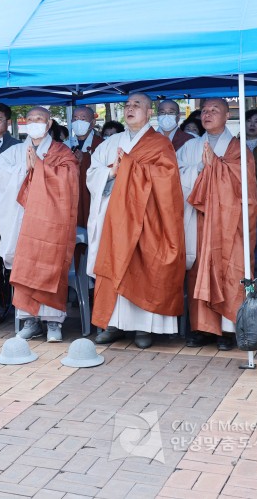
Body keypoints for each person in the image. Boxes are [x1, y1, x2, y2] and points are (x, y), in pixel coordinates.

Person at [87, 93, 186, 349]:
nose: (130, 109)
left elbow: (167, 180)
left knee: (143, 267)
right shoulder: (111, 142)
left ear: (149, 112)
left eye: (137, 105)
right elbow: (93, 172)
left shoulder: (160, 144)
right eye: (127, 105)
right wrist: (111, 172)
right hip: (113, 217)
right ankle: (112, 324)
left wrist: (129, 166)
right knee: (113, 264)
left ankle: (144, 327)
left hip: (146, 217)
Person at [176, 98, 257, 350]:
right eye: (205, 111)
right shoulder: (190, 146)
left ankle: (228, 329)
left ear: (227, 115)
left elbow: (245, 188)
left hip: (229, 222)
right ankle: (202, 328)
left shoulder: (238, 150)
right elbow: (175, 173)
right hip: (198, 219)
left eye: (215, 110)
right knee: (198, 270)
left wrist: (216, 168)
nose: (208, 114)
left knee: (229, 271)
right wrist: (201, 167)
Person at [0, 107, 78, 342]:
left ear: (49, 123)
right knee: (27, 268)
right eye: (29, 119)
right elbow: (0, 171)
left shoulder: (63, 153)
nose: (34, 123)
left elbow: (69, 181)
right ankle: (30, 321)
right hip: (24, 220)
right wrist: (27, 169)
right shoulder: (15, 152)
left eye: (39, 119)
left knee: (51, 268)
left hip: (52, 222)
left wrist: (40, 168)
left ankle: (53, 323)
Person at [66, 106, 102, 229]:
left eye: (83, 118)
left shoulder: (102, 144)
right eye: (75, 118)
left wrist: (86, 159)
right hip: (70, 198)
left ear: (92, 122)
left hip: (92, 199)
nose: (78, 122)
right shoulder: (64, 146)